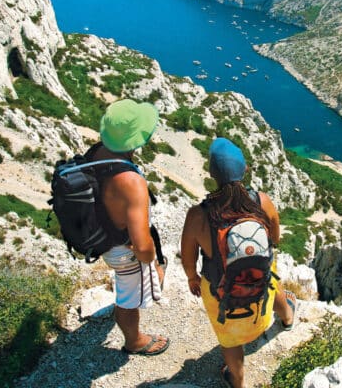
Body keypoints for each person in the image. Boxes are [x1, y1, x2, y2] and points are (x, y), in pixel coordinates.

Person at [181, 138, 296, 388]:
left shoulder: (198, 215)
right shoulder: (262, 201)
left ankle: (238, 380)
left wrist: (192, 278)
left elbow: (188, 258)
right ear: (245, 169)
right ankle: (287, 318)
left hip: (219, 290)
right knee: (271, 282)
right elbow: (275, 238)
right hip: (260, 278)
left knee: (229, 340)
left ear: (212, 174)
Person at [90, 99, 170, 356]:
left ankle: (145, 283)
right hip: (123, 252)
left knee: (132, 283)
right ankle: (134, 341)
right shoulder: (131, 182)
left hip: (103, 237)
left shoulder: (95, 154)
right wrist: (152, 262)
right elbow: (142, 247)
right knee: (128, 298)